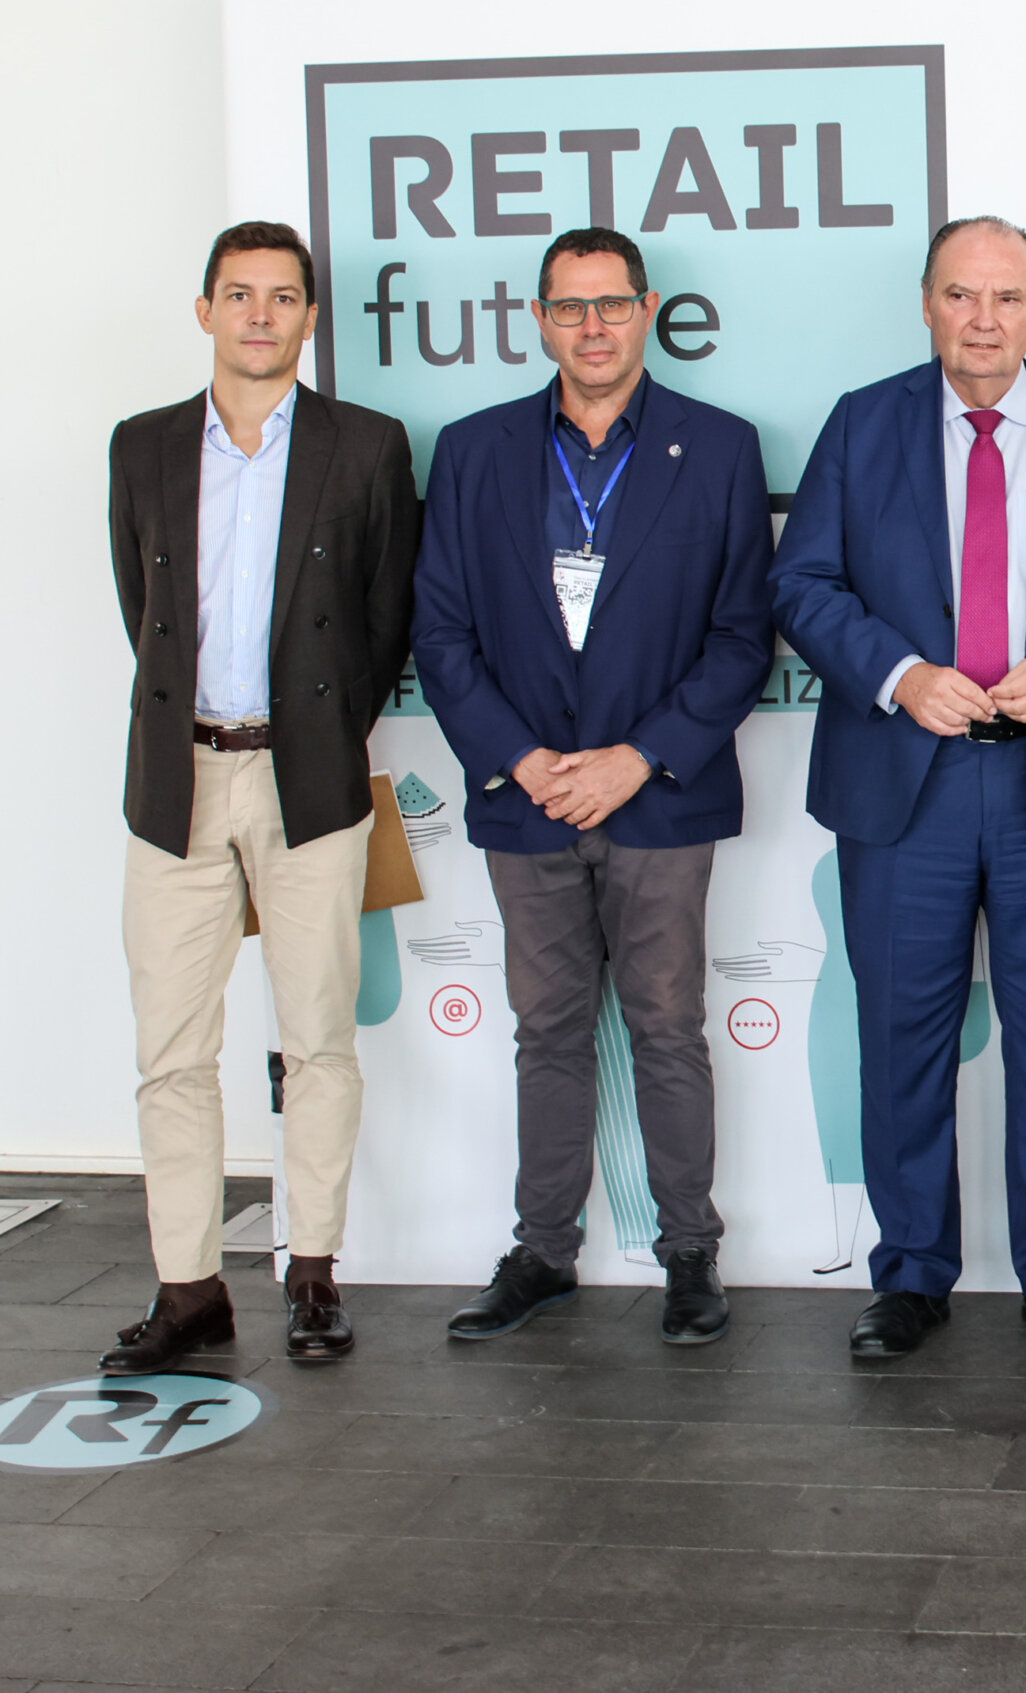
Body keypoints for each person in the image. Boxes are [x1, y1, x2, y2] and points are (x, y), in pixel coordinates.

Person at [772, 216, 1026, 1360]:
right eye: (960, 294)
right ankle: (909, 1274)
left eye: (1006, 297)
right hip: (908, 780)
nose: (983, 319)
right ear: (926, 303)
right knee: (902, 1037)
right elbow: (801, 584)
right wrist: (900, 676)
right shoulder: (862, 426)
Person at [411, 228, 775, 1346]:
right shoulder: (473, 452)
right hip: (526, 797)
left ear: (648, 309)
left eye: (612, 304)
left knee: (666, 1025)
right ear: (539, 320)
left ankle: (689, 1254)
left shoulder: (720, 447)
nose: (593, 327)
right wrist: (523, 760)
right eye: (569, 308)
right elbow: (441, 631)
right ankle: (543, 1252)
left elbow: (742, 636)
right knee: (549, 1029)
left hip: (656, 796)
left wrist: (637, 757)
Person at [101, 221, 419, 1373]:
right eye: (238, 294)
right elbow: (143, 612)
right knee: (172, 1049)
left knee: (317, 1036)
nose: (259, 315)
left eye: (282, 296)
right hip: (175, 780)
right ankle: (189, 1289)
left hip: (309, 777)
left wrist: (323, 729)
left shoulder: (365, 444)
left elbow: (385, 617)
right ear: (205, 310)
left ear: (309, 317)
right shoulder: (142, 445)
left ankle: (314, 1271)